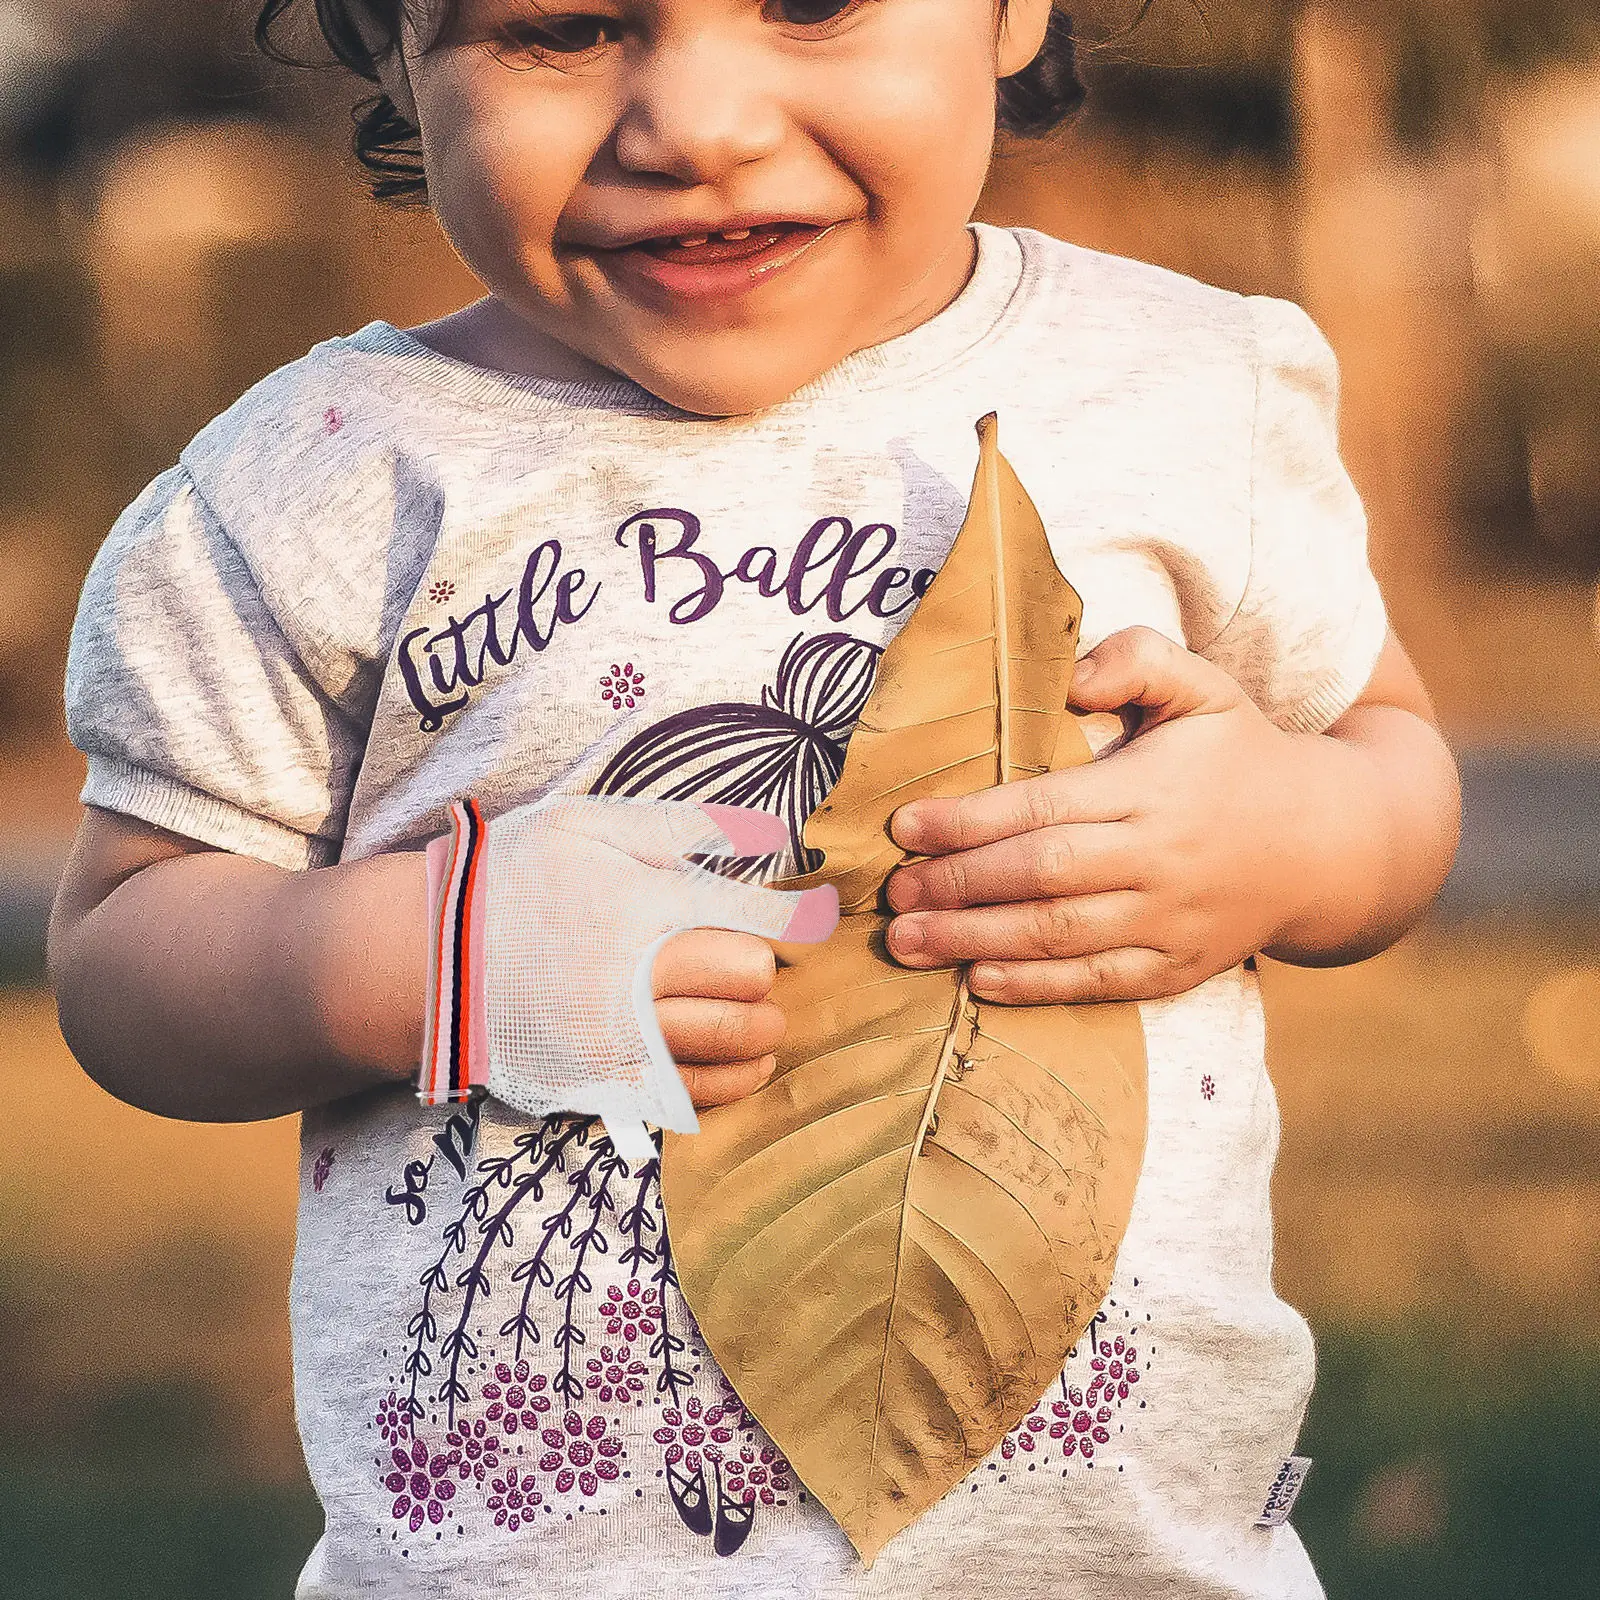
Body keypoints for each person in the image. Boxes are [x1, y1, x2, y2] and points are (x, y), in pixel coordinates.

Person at [47, 0, 1462, 1595]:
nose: (696, 123)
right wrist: (423, 956)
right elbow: (119, 955)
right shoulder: (317, 481)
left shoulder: (1187, 389)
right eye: (564, 29)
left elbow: (1391, 766)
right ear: (393, 42)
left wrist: (1283, 838)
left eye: (810, 3)